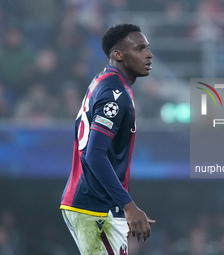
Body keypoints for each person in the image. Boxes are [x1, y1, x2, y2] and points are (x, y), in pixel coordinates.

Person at [60, 23, 155, 255]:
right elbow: (94, 154)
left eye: (148, 48)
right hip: (94, 207)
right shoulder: (115, 94)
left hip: (91, 203)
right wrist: (128, 205)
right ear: (118, 55)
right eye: (140, 48)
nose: (149, 55)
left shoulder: (103, 81)